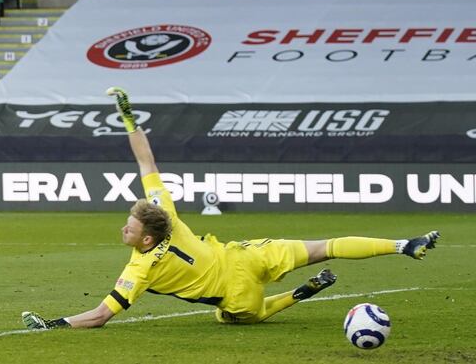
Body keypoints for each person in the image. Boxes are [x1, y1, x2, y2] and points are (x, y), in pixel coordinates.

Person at [22, 87, 439, 329]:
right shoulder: (167, 214)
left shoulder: (139, 269)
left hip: (236, 291)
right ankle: (403, 244)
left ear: (146, 238)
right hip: (247, 254)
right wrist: (131, 121)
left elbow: (98, 316)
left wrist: (55, 324)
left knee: (236, 319)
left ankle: (298, 293)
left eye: (128, 229)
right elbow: (147, 161)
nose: (123, 231)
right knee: (324, 245)